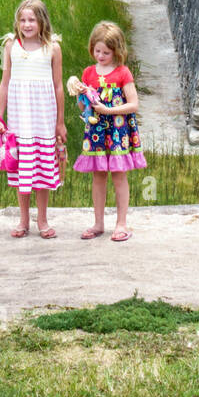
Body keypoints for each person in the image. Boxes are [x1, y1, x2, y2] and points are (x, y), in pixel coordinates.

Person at [0, 0, 66, 239]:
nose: (26, 24)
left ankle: (42, 219)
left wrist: (60, 122)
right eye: (22, 20)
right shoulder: (11, 45)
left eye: (31, 19)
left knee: (42, 171)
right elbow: (5, 83)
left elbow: (58, 87)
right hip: (19, 119)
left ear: (41, 21)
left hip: (43, 120)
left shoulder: (52, 48)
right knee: (22, 169)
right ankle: (23, 219)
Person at [68, 20, 146, 243]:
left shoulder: (122, 73)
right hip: (96, 132)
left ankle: (121, 223)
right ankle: (98, 223)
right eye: (97, 50)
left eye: (106, 52)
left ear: (116, 51)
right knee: (98, 175)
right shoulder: (88, 73)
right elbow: (83, 107)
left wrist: (109, 110)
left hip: (118, 131)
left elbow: (133, 105)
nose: (100, 55)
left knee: (119, 176)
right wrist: (83, 97)